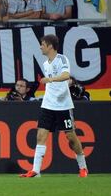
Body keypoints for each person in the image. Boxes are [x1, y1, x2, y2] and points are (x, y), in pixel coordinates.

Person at [20, 34, 88, 178]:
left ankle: (83, 167)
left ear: (50, 46)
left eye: (42, 44)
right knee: (40, 135)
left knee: (71, 137)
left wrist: (49, 79)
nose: (40, 47)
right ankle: (36, 171)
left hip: (63, 105)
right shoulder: (45, 64)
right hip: (48, 104)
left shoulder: (62, 59)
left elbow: (65, 76)